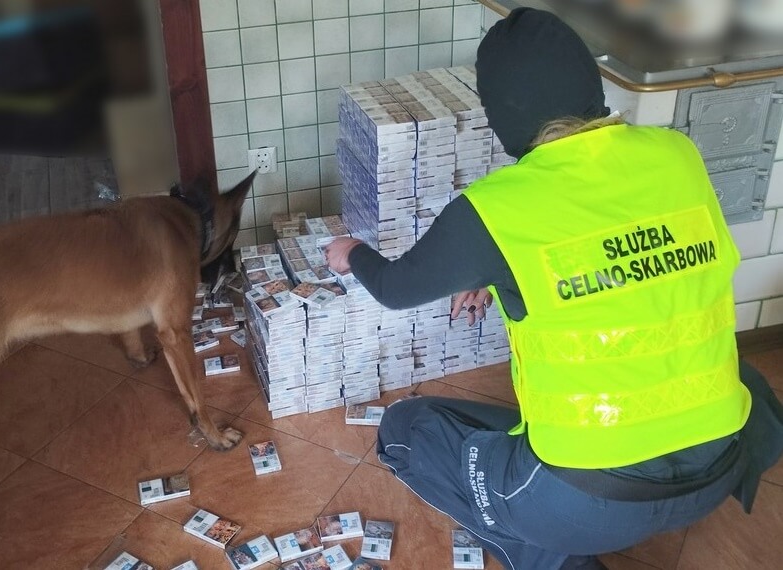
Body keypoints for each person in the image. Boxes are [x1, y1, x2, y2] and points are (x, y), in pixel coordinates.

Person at [324, 8, 783, 570]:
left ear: (503, 111)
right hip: (718, 464)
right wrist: (499, 273)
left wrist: (352, 252)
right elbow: (623, 255)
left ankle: (558, 562)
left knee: (405, 430)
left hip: (588, 501)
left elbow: (396, 288)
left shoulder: (498, 207)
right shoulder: (676, 153)